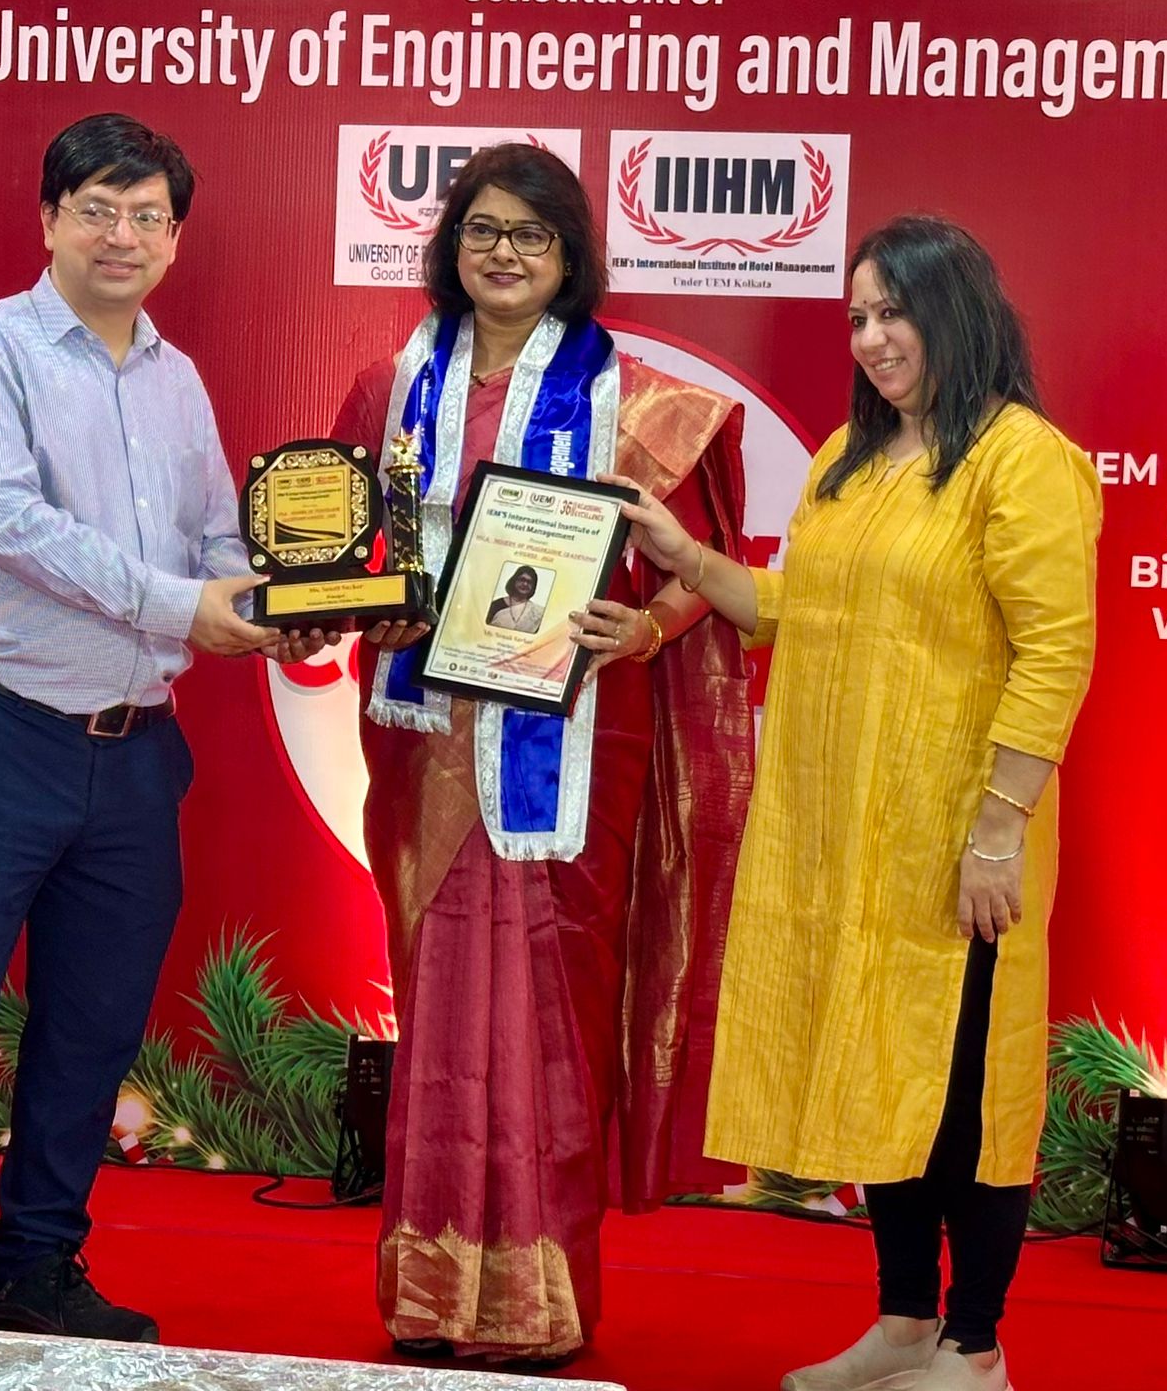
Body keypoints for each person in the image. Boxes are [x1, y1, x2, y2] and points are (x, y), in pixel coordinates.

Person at [608, 216, 1100, 1391]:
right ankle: (903, 1322)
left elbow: (1055, 652)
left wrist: (997, 832)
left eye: (895, 313)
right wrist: (686, 555)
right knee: (881, 1071)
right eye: (859, 317)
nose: (873, 338)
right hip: (844, 835)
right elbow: (799, 608)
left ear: (956, 314)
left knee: (962, 1091)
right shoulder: (848, 456)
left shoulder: (1021, 458)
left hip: (958, 835)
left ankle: (973, 1346)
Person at [0, 114, 278, 1343]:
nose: (121, 235)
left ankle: (34, 1265)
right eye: (96, 208)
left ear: (176, 238)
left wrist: (270, 606)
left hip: (135, 755)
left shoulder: (177, 378)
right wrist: (182, 606)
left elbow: (215, 534)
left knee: (90, 1037)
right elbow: (8, 524)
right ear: (48, 219)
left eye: (147, 216)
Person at [330, 142, 753, 1362]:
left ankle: (535, 1300)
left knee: (551, 1002)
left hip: (570, 748)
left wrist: (645, 628)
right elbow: (344, 556)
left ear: (570, 257)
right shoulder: (388, 387)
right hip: (422, 743)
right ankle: (430, 1293)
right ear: (448, 246)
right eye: (481, 229)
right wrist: (372, 606)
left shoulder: (640, 401)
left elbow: (699, 571)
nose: (503, 253)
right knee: (441, 998)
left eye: (530, 233)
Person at [486, 563, 546, 631]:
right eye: (522, 580)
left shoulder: (537, 613)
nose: (525, 584)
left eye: (529, 582)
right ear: (514, 581)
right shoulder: (495, 605)